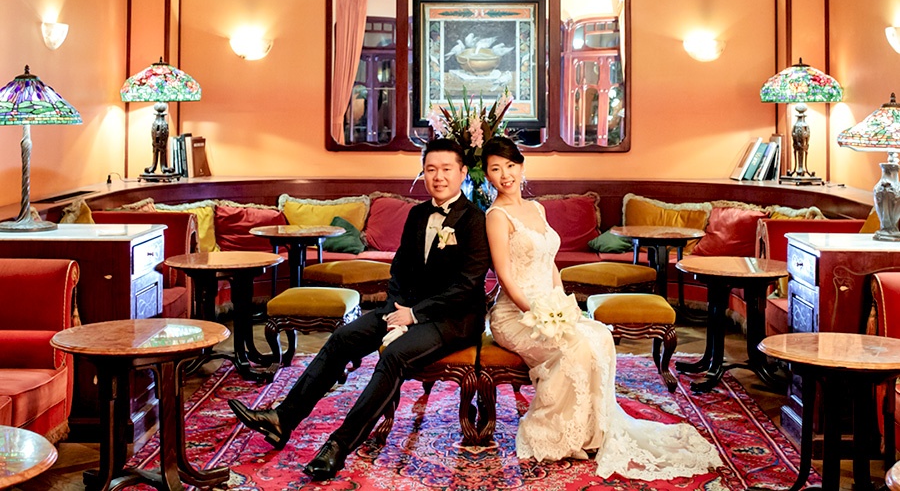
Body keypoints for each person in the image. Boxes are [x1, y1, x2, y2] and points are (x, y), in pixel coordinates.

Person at [228, 137, 491, 480]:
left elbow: (467, 286)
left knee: (393, 356)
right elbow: (399, 269)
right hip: (404, 309)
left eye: (446, 169)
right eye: (430, 169)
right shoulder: (417, 214)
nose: (438, 177)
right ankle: (283, 418)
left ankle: (338, 446)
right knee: (342, 338)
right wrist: (395, 309)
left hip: (453, 319)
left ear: (462, 173)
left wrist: (413, 316)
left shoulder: (475, 220)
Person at [482, 135, 722, 480]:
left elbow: (549, 264)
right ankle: (556, 433)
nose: (505, 175)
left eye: (510, 165)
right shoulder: (496, 216)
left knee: (599, 337)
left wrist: (562, 305)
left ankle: (590, 431)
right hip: (515, 314)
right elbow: (504, 276)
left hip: (549, 307)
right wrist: (537, 311)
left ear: (521, 167)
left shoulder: (537, 209)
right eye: (495, 169)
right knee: (575, 346)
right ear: (487, 175)